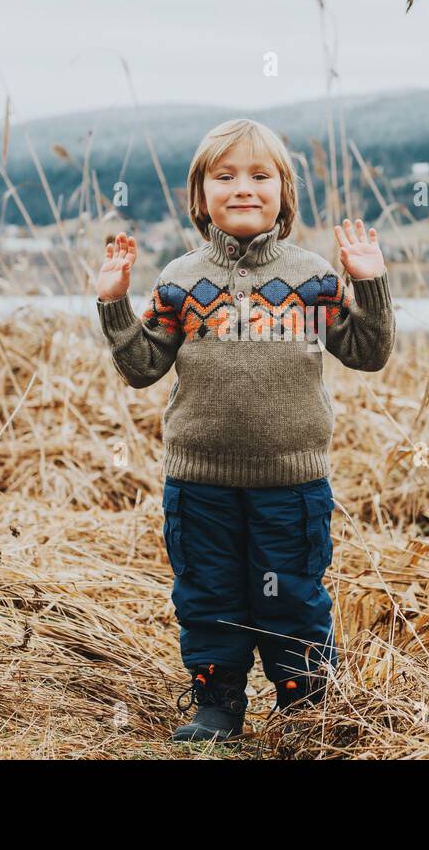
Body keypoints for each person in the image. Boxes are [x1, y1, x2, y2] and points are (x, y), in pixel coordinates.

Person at [95, 117, 395, 743]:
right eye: (224, 176)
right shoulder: (180, 278)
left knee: (292, 597)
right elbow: (142, 368)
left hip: (291, 482)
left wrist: (368, 282)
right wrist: (114, 301)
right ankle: (217, 706)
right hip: (198, 482)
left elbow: (367, 352)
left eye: (260, 176)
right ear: (200, 195)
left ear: (284, 192)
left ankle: (305, 709)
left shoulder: (310, 276)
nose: (243, 189)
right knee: (207, 594)